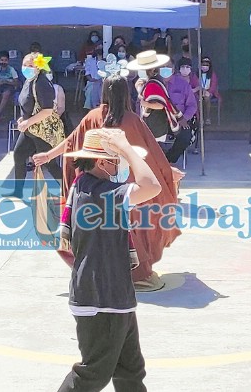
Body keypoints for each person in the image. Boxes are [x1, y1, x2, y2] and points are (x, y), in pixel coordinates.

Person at [33, 70, 182, 292]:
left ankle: (99, 272)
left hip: (98, 183)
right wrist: (167, 172)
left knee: (97, 228)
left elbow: (72, 143)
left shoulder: (93, 116)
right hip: (130, 188)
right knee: (135, 229)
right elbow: (151, 153)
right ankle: (138, 274)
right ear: (126, 94)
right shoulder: (133, 120)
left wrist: (48, 156)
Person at [57, 128, 161, 392]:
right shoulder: (104, 193)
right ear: (103, 162)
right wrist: (126, 147)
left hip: (112, 296)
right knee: (93, 374)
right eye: (119, 160)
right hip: (102, 299)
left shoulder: (84, 185)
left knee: (130, 372)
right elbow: (152, 186)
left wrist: (124, 150)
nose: (124, 166)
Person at [7, 53, 63, 198]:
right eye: (25, 65)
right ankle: (18, 191)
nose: (26, 68)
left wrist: (28, 122)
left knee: (49, 164)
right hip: (30, 130)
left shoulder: (42, 83)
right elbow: (29, 105)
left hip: (42, 131)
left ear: (38, 67)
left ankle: (70, 189)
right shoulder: (29, 81)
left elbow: (47, 110)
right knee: (19, 155)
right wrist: (23, 119)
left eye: (31, 66)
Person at [131, 51, 187, 162]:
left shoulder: (153, 84)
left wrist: (145, 104)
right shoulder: (150, 82)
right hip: (152, 123)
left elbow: (160, 105)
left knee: (155, 152)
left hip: (156, 124)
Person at [166, 58, 198, 159]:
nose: (165, 69)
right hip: (159, 122)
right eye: (162, 67)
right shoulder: (154, 83)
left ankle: (169, 159)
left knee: (185, 137)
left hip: (179, 120)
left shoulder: (182, 84)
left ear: (173, 69)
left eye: (168, 66)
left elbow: (192, 105)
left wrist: (184, 118)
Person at [0, 51, 19, 124]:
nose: (3, 62)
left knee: (6, 94)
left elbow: (16, 82)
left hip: (10, 86)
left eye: (5, 60)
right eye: (2, 60)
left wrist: (7, 82)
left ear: (8, 61)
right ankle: (0, 113)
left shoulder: (11, 69)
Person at [198, 56, 221, 126]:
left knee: (206, 98)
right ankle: (199, 118)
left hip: (209, 92)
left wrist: (208, 91)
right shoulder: (197, 74)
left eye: (207, 65)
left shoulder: (212, 74)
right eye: (203, 64)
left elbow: (214, 86)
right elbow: (195, 83)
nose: (205, 66)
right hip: (199, 91)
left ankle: (207, 117)